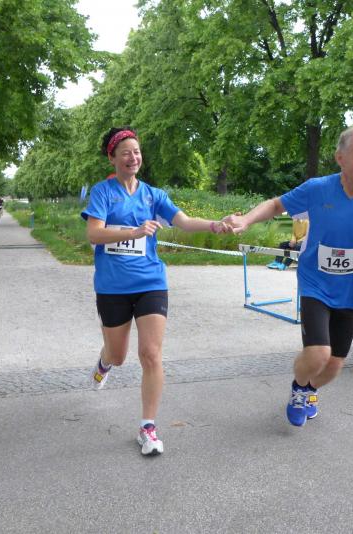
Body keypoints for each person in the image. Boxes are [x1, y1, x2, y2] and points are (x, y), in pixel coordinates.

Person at [224, 125, 353, 426]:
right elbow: (276, 204)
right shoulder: (318, 189)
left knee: (334, 366)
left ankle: (310, 390)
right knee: (318, 353)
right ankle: (298, 388)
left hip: (352, 291)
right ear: (340, 158)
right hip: (315, 283)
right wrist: (246, 220)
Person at [81, 126, 232, 456]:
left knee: (150, 354)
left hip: (150, 282)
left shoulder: (153, 195)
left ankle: (147, 427)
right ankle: (105, 363)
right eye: (125, 153)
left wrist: (215, 225)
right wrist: (135, 231)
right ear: (112, 158)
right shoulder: (103, 192)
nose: (133, 157)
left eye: (136, 152)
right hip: (112, 286)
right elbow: (94, 234)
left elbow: (184, 221)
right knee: (118, 355)